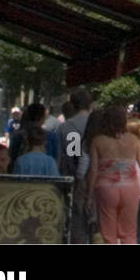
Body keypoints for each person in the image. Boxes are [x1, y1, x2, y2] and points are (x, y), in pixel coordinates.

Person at [87, 106, 140, 244]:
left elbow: (93, 170)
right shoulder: (133, 140)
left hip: (106, 188)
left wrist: (89, 194)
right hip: (130, 188)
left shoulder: (98, 141)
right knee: (129, 233)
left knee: (108, 234)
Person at [59, 88, 94, 243]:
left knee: (78, 223)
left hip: (75, 179)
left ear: (72, 105)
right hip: (98, 177)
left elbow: (66, 156)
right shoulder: (99, 123)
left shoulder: (67, 126)